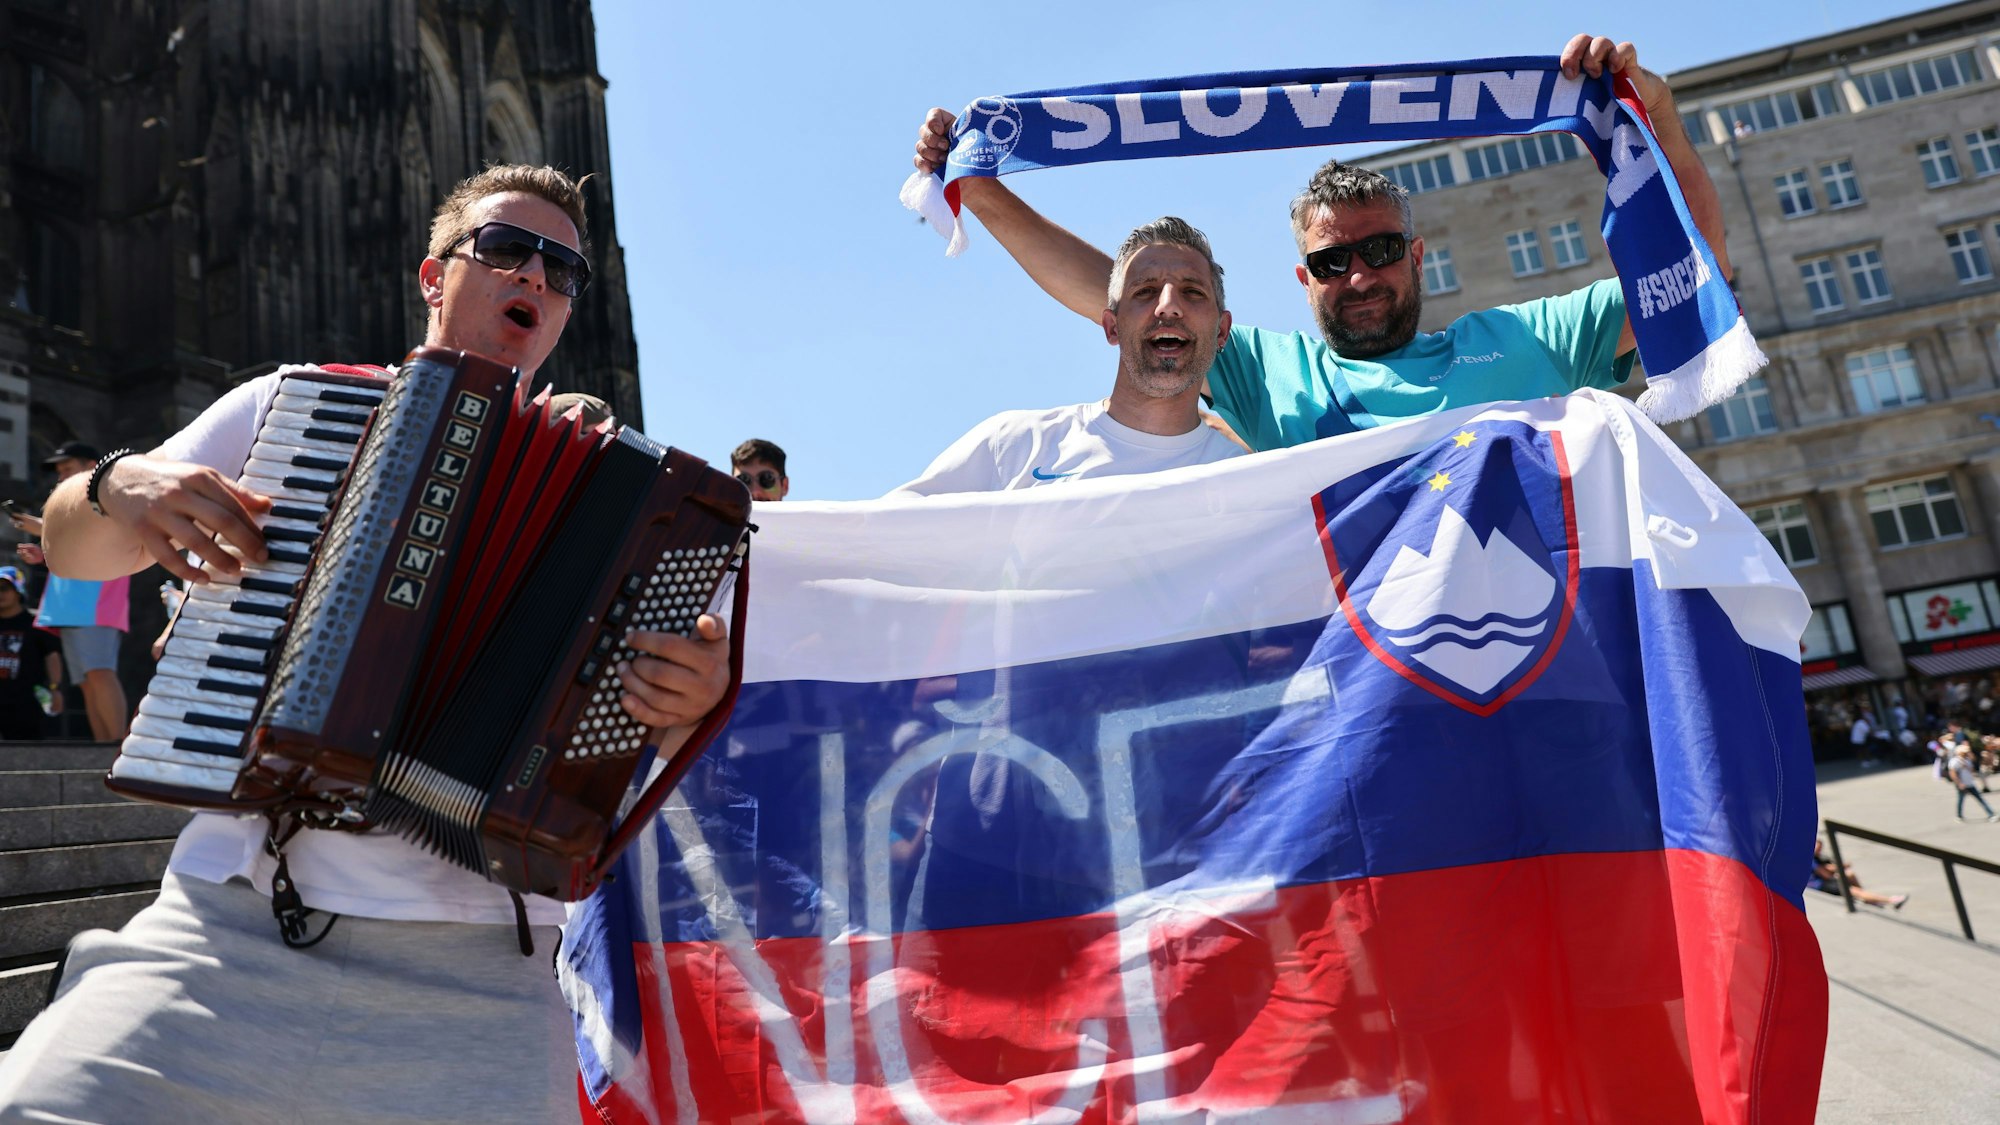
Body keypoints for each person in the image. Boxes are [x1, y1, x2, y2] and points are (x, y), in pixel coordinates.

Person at [0, 165, 734, 1124]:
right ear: (435, 276)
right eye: (508, 250)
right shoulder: (289, 410)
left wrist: (691, 703)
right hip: (233, 923)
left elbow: (658, 759)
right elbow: (72, 548)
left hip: (485, 970)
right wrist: (115, 485)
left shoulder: (634, 515)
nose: (537, 280)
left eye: (563, 273)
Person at [910, 35, 1729, 451]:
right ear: (1304, 279)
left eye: (1378, 251)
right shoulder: (1270, 375)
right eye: (1334, 262)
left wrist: (1660, 126)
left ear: (1417, 255)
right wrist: (978, 188)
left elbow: (1695, 277)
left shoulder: (1527, 339)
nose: (1360, 275)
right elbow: (1117, 292)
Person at [892, 216, 1245, 495]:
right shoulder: (1013, 447)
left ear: (1221, 331)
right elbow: (880, 541)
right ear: (1111, 327)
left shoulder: (1250, 479)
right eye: (1146, 290)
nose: (1168, 306)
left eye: (1192, 291)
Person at [11, 441, 130, 741]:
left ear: (92, 466)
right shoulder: (73, 500)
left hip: (95, 602)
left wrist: (40, 527)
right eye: (59, 470)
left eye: (67, 467)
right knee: (88, 682)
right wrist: (43, 555)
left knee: (100, 673)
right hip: (73, 604)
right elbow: (77, 546)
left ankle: (115, 747)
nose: (61, 474)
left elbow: (98, 535)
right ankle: (102, 750)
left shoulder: (106, 494)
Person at [0, 565, 61, 739]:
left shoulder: (38, 623)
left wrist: (55, 688)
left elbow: (52, 656)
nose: (0, 594)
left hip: (26, 703)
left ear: (18, 591)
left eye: (5, 588)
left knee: (27, 755)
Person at [1809, 837, 1907, 909]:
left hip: (1824, 881)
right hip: (1820, 884)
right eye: (1817, 848)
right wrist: (1837, 872)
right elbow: (1825, 874)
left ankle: (1868, 898)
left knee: (1850, 876)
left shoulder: (1819, 857)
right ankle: (1891, 901)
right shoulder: (1810, 859)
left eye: (1820, 848)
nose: (1819, 850)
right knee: (1852, 890)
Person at [1950, 744, 1997, 822]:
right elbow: (1953, 774)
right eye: (1965, 752)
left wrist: (1968, 762)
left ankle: (1991, 814)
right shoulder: (1954, 761)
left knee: (1980, 799)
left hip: (1970, 783)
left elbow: (1972, 770)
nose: (1967, 753)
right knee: (1961, 800)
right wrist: (1959, 783)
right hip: (1962, 784)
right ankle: (1959, 815)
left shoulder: (1967, 760)